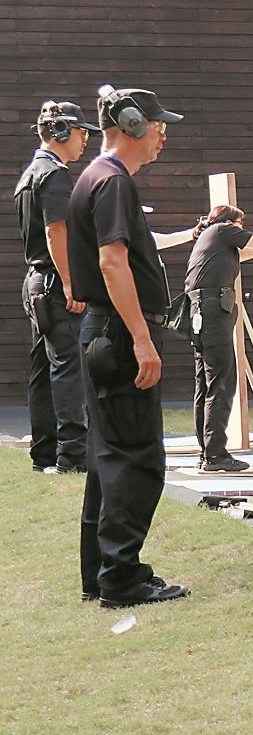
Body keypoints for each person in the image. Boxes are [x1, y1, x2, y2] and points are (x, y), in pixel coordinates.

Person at [67, 85, 189, 608]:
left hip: (103, 332)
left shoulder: (96, 177)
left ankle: (102, 574)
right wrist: (143, 339)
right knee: (136, 460)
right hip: (118, 335)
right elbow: (112, 263)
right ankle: (123, 578)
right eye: (157, 123)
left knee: (108, 457)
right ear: (133, 124)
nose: (163, 133)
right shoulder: (113, 182)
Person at [15, 101, 97, 475]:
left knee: (42, 372)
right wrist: (70, 282)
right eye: (81, 132)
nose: (84, 140)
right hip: (52, 281)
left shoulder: (29, 174)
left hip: (35, 282)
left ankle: (44, 453)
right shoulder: (55, 174)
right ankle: (73, 456)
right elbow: (55, 230)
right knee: (68, 370)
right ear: (61, 132)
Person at [182, 206, 253, 472]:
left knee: (206, 385)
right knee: (221, 382)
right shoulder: (222, 231)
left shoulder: (214, 241)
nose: (242, 228)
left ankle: (207, 451)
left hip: (200, 312)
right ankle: (216, 455)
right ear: (231, 223)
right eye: (241, 223)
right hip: (211, 312)